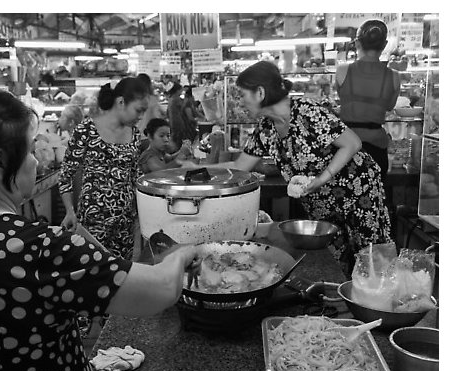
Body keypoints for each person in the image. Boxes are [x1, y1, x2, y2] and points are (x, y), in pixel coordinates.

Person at [0, 85, 201, 371]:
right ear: (0, 162)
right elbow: (161, 290)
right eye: (30, 149)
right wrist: (185, 253)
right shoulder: (42, 249)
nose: (36, 160)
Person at [186, 61, 392, 278]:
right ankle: (346, 300)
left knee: (370, 258)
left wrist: (322, 179)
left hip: (359, 192)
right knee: (337, 259)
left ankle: (378, 306)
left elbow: (352, 143)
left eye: (242, 94)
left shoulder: (306, 112)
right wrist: (198, 169)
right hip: (323, 203)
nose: (241, 101)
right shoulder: (265, 128)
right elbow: (239, 168)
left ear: (260, 92)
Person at [58, 78, 148, 260]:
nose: (140, 117)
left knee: (122, 275)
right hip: (93, 221)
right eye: (138, 110)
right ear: (121, 102)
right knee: (93, 272)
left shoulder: (135, 134)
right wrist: (69, 211)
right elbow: (65, 176)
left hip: (125, 224)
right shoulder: (85, 131)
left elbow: (134, 175)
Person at [335, 19, 401, 186]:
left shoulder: (342, 70)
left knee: (344, 199)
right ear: (385, 44)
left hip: (345, 147)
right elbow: (389, 106)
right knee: (374, 202)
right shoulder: (394, 76)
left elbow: (343, 98)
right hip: (377, 148)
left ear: (357, 43)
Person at [166, 82, 197, 152]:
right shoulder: (176, 99)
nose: (182, 91)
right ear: (177, 91)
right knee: (178, 145)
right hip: (177, 125)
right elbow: (187, 109)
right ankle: (177, 159)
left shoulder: (171, 99)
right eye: (180, 89)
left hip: (174, 124)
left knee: (177, 143)